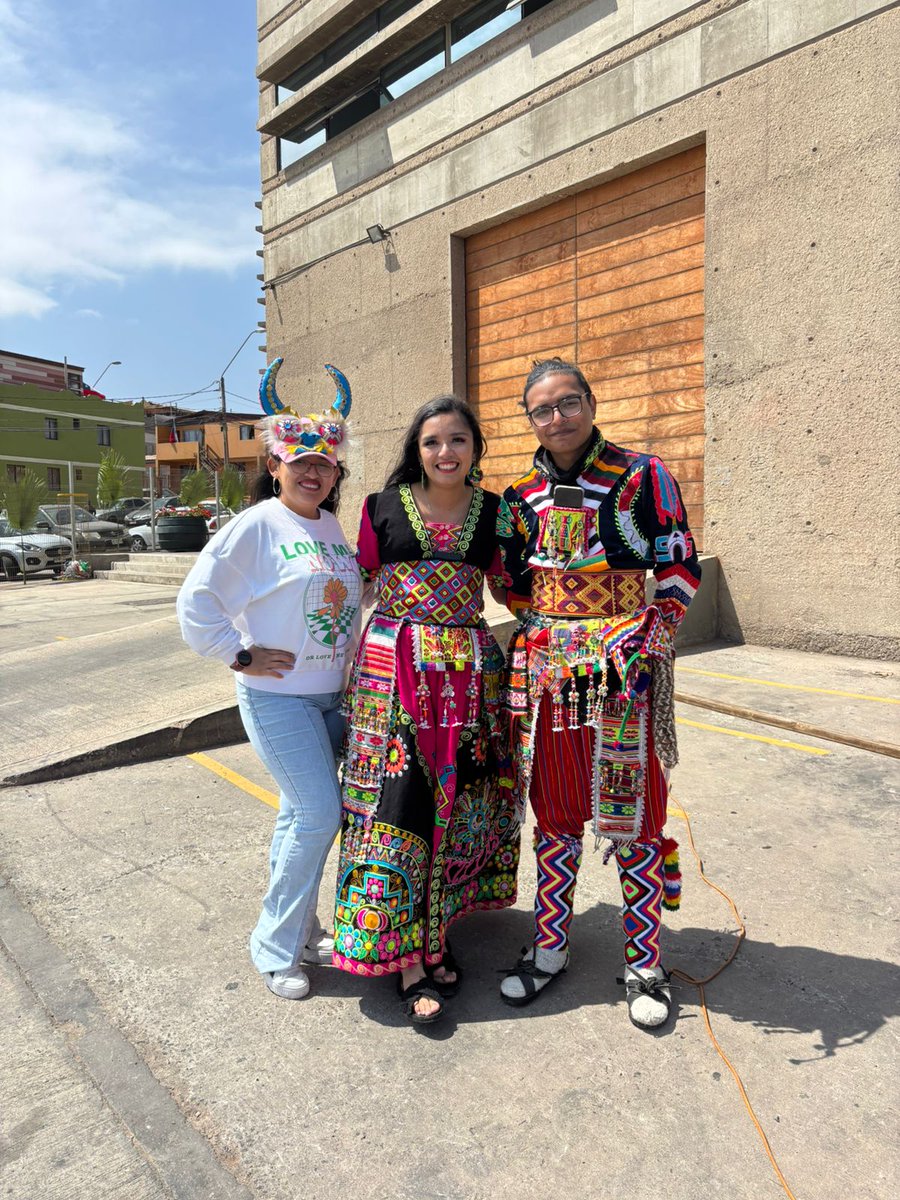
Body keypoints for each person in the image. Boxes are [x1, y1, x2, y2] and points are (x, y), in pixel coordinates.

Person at [495, 358, 701, 1028]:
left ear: (590, 402)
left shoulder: (643, 474)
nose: (557, 418)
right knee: (555, 808)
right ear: (530, 419)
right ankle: (550, 945)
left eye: (567, 403)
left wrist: (649, 635)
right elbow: (514, 584)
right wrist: (553, 628)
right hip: (554, 674)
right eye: (542, 409)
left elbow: (677, 562)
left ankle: (644, 961)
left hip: (621, 671)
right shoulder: (519, 493)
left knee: (632, 809)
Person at [177, 359, 362, 1001]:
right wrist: (239, 654)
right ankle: (274, 946)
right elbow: (197, 601)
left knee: (297, 817)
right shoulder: (257, 524)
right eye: (299, 459)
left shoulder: (331, 526)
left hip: (332, 698)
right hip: (277, 700)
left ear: (336, 471)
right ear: (275, 465)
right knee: (318, 814)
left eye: (325, 462)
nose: (313, 470)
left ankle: (302, 933)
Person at [333, 396, 519, 1024]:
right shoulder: (379, 509)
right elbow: (349, 586)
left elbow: (514, 588)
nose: (446, 452)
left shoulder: (495, 513)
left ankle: (437, 934)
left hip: (468, 679)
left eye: (459, 440)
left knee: (457, 800)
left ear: (476, 449)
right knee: (398, 799)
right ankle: (403, 955)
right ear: (416, 449)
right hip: (393, 675)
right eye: (433, 441)